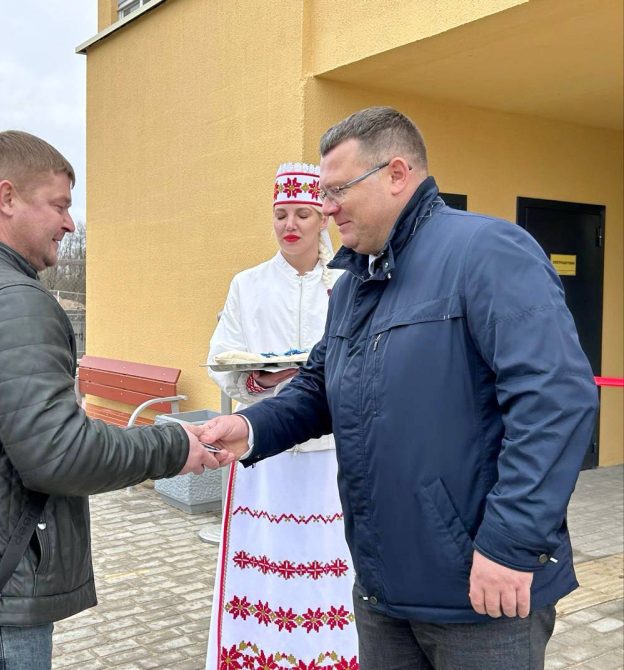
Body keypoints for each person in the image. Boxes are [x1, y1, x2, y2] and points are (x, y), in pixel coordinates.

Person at [200, 107, 599, 669]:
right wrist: (249, 426)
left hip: (480, 594)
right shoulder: (355, 283)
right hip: (382, 590)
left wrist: (511, 544)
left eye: (338, 189)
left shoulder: (487, 252)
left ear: (396, 173)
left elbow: (556, 401)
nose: (327, 206)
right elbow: (319, 385)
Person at [0, 130, 226, 669]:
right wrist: (172, 445)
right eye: (59, 205)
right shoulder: (11, 301)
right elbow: (59, 456)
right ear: (7, 197)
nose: (69, 223)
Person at [204, 163, 359, 670]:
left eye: (303, 214)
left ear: (323, 219)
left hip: (334, 459)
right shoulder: (247, 286)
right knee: (265, 571)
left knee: (332, 572)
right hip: (265, 458)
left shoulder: (350, 283)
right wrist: (264, 380)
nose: (290, 224)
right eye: (280, 214)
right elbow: (222, 356)